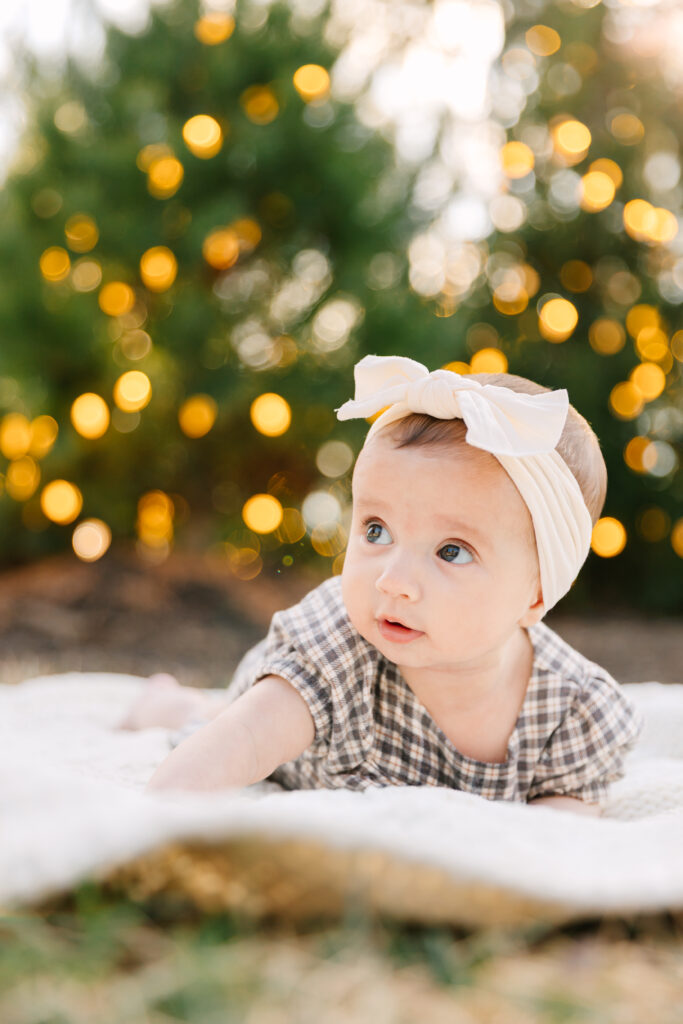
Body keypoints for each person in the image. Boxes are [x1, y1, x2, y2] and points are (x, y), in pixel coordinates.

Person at [119, 354, 643, 815]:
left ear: (535, 595)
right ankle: (167, 705)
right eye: (376, 531)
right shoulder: (338, 650)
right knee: (211, 720)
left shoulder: (572, 713)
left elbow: (560, 837)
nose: (393, 581)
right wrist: (149, 827)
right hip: (283, 738)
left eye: (451, 551)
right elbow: (243, 741)